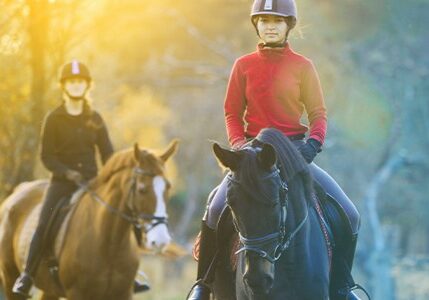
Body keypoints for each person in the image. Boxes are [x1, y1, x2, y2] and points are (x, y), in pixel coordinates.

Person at [186, 1, 363, 299]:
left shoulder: (303, 66)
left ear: (288, 25)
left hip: (295, 153)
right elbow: (232, 112)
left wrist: (312, 145)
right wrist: (240, 148)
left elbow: (318, 113)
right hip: (252, 155)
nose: (270, 25)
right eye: (264, 20)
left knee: (349, 212)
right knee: (215, 208)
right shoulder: (243, 65)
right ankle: (203, 286)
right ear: (256, 24)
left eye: (277, 21)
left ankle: (343, 286)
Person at [12, 60, 148, 297]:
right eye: (72, 82)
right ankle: (28, 274)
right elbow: (47, 156)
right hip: (61, 183)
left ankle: (131, 274)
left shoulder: (95, 118)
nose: (76, 86)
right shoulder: (54, 118)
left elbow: (107, 154)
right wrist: (66, 172)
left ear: (87, 85)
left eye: (80, 82)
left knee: (127, 214)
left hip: (91, 181)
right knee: (44, 223)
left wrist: (112, 176)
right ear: (64, 86)